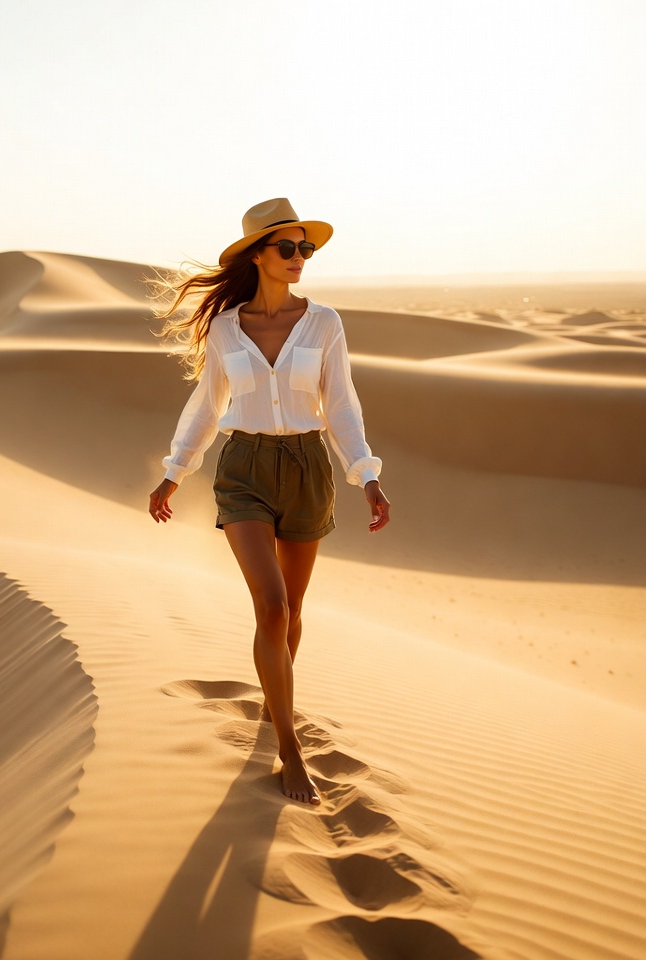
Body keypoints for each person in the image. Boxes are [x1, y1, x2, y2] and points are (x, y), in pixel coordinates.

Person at [149, 198, 391, 806]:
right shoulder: (226, 327)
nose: (300, 258)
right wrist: (175, 472)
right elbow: (207, 405)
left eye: (306, 248)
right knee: (274, 607)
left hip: (308, 468)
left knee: (295, 608)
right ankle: (288, 746)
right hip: (244, 469)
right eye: (288, 247)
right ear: (257, 254)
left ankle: (273, 699)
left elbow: (341, 407)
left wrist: (366, 476)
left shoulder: (325, 323)